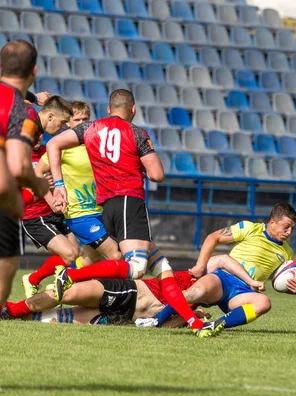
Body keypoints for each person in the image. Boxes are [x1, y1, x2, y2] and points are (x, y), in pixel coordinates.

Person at [47, 89, 222, 337]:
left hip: (106, 206)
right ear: (134, 109)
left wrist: (60, 185)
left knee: (162, 268)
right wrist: (137, 162)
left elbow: (53, 143)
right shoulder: (137, 133)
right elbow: (157, 175)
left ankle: (194, 324)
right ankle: (72, 274)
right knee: (137, 267)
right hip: (130, 202)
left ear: (108, 109)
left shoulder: (91, 128)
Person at [135, 203, 296, 331]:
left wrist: (295, 289)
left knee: (264, 302)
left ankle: (214, 325)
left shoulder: (287, 253)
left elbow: (279, 282)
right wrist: (201, 266)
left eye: (292, 228)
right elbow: (213, 237)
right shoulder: (250, 228)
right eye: (286, 226)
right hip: (223, 279)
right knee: (195, 293)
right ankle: (156, 320)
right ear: (272, 222)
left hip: (243, 292)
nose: (289, 232)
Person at [25, 101, 121, 298]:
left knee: (84, 257)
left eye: (85, 119)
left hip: (81, 210)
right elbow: (35, 177)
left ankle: (58, 285)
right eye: (76, 119)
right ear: (68, 123)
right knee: (99, 255)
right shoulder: (56, 148)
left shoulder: (93, 144)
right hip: (56, 214)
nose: (81, 123)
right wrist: (51, 198)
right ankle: (117, 299)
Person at [0, 40, 50, 309]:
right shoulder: (23, 111)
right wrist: (38, 184)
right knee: (4, 270)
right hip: (3, 199)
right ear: (34, 70)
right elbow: (19, 166)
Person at [20, 97, 82, 298]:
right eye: (63, 123)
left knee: (74, 253)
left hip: (51, 212)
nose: (63, 128)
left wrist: (34, 98)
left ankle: (40, 280)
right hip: (33, 214)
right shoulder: (26, 135)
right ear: (50, 116)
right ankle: (34, 280)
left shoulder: (44, 144)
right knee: (70, 253)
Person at [3, 268, 209, 327]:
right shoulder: (191, 278)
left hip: (124, 317)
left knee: (58, 317)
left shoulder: (195, 306)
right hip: (128, 292)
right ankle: (10, 309)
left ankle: (11, 316)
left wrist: (187, 316)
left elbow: (161, 327)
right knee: (67, 293)